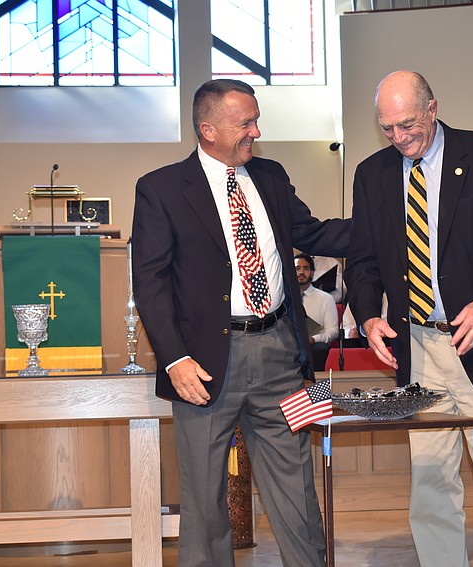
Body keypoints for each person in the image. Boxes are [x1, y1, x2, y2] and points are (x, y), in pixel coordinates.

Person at [131, 79, 349, 567]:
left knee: (297, 489)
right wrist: (174, 359)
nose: (256, 130)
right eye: (245, 123)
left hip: (280, 354)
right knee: (206, 500)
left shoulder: (269, 175)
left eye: (256, 119)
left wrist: (384, 226)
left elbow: (312, 231)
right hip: (205, 364)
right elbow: (150, 283)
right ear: (208, 129)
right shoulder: (161, 188)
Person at [345, 70, 473, 567]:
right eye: (387, 127)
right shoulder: (372, 174)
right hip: (420, 351)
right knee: (431, 483)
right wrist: (369, 317)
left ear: (432, 108)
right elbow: (363, 258)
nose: (398, 137)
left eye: (407, 124)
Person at [295, 252, 339, 371]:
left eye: (306, 268)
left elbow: (333, 331)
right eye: (297, 268)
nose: (301, 272)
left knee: (321, 348)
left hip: (313, 345)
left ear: (312, 272)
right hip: (291, 344)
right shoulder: (284, 298)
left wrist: (314, 339)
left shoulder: (325, 298)